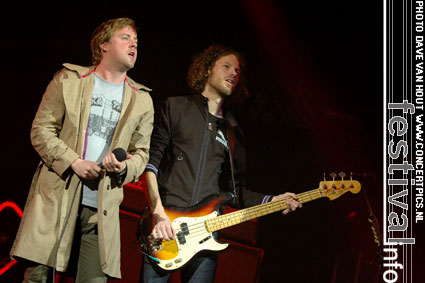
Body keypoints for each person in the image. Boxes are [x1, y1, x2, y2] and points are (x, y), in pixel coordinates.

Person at [10, 17, 154, 282]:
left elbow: (142, 154)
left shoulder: (142, 99)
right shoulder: (69, 80)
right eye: (125, 38)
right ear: (103, 45)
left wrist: (124, 167)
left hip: (101, 208)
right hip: (57, 198)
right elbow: (41, 131)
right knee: (38, 277)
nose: (134, 44)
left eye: (136, 41)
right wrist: (73, 161)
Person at [142, 45, 302, 283]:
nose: (234, 74)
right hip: (165, 226)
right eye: (226, 66)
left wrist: (272, 200)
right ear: (206, 71)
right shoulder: (176, 107)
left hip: (206, 236)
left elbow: (234, 193)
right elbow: (149, 165)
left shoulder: (233, 132)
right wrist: (158, 212)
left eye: (237, 71)